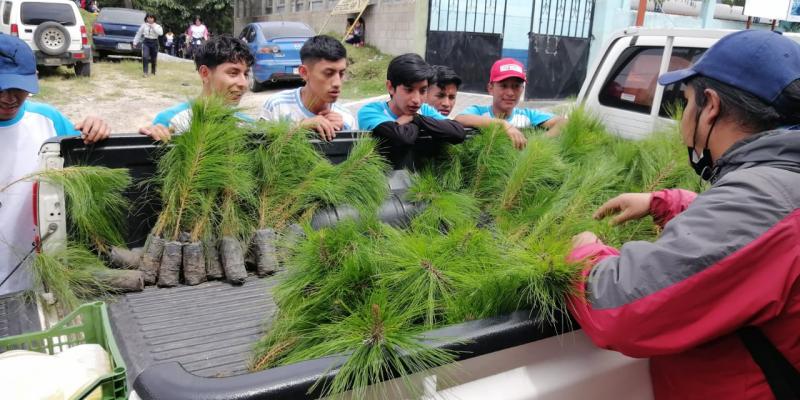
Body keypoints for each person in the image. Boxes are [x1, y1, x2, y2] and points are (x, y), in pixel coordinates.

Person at [567, 30, 800, 399]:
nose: (683, 117)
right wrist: (667, 202)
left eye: (687, 102)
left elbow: (622, 304)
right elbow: (756, 237)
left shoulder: (761, 202)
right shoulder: (780, 187)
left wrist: (583, 254)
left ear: (711, 106)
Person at [0, 35, 110, 296]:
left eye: (18, 87)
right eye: (0, 87)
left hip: (37, 277)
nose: (8, 98)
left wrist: (96, 127)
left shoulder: (48, 121)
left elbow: (85, 168)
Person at [139, 35, 254, 141]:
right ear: (205, 73)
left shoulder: (248, 126)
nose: (244, 83)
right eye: (233, 73)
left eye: (246, 74)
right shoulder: (170, 121)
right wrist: (151, 134)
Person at [358, 53, 466, 167]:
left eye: (423, 91)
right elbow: (402, 138)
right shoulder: (371, 112)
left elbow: (458, 132)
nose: (417, 100)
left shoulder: (424, 110)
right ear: (390, 87)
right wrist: (421, 122)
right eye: (409, 90)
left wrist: (416, 118)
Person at [455, 58, 566, 149]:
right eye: (503, 86)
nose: (510, 93)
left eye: (516, 86)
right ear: (490, 88)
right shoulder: (480, 112)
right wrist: (502, 125)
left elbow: (563, 122)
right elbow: (459, 119)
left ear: (522, 89)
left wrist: (536, 143)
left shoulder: (528, 116)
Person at [260, 35, 355, 141]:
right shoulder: (277, 106)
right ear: (304, 73)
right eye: (328, 73)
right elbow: (259, 148)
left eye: (341, 73)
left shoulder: (346, 119)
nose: (337, 83)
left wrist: (342, 133)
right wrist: (299, 128)